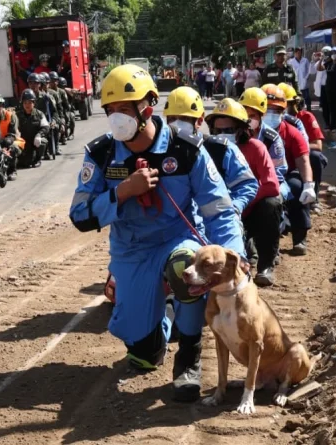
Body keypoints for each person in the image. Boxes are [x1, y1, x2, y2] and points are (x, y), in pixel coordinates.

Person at [70, 64, 245, 403]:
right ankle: (161, 321)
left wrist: (236, 259)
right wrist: (121, 193)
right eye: (111, 111)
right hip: (130, 252)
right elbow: (79, 216)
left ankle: (189, 359)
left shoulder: (185, 150)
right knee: (142, 354)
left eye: (124, 109)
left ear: (148, 106)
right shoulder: (102, 154)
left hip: (174, 240)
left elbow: (218, 210)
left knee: (184, 268)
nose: (117, 117)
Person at [203, 98, 280, 286]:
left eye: (228, 130)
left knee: (272, 204)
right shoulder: (206, 151)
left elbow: (271, 185)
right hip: (219, 214)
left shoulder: (256, 148)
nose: (222, 135)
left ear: (241, 130)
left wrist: (238, 205)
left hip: (249, 211)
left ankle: (265, 266)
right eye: (218, 131)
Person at [261, 84, 316, 254]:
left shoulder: (291, 132)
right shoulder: (249, 132)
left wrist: (308, 184)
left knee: (297, 188)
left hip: (286, 173)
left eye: (276, 110)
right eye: (267, 109)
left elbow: (303, 160)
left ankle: (299, 238)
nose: (271, 114)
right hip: (257, 175)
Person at [238, 87, 289, 192]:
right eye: (245, 115)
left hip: (266, 183)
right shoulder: (233, 133)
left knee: (272, 201)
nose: (248, 120)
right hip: (239, 184)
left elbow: (278, 172)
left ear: (262, 115)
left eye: (252, 116)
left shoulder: (271, 139)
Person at [284, 85, 326, 197]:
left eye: (285, 103)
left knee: (315, 156)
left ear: (293, 103)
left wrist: (298, 146)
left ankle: (313, 193)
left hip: (302, 154)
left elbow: (318, 145)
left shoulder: (306, 117)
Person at [28, 73, 59, 158]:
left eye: (35, 83)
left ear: (39, 84)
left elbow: (54, 112)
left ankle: (52, 149)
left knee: (54, 127)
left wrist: (53, 121)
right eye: (31, 83)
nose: (33, 85)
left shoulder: (46, 97)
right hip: (30, 122)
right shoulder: (26, 96)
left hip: (43, 122)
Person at [16, 89, 49, 169]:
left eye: (30, 102)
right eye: (25, 103)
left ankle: (38, 160)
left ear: (34, 103)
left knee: (43, 141)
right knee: (25, 163)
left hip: (34, 142)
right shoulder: (17, 115)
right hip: (23, 143)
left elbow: (46, 127)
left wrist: (39, 135)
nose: (27, 105)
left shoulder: (39, 114)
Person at [315, 46, 332, 131]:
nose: (325, 54)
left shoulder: (332, 62)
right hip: (323, 87)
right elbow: (319, 68)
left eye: (327, 53)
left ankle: (331, 124)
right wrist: (321, 59)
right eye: (324, 53)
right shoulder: (322, 62)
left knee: (330, 106)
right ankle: (327, 123)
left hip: (331, 87)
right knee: (324, 106)